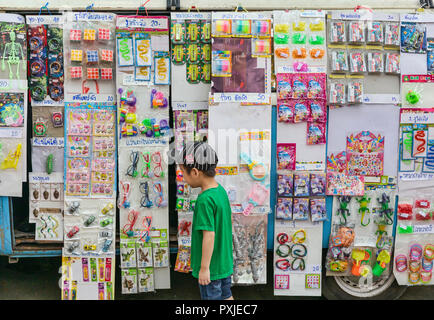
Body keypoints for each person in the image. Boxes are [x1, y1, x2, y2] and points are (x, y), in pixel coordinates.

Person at [178, 141, 234, 300]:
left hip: (211, 268)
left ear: (195, 172)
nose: (183, 177)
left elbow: (209, 235)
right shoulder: (220, 191)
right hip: (223, 263)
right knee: (226, 296)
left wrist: (204, 268)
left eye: (183, 172)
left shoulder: (204, 200)